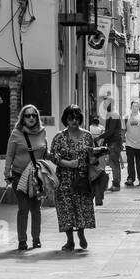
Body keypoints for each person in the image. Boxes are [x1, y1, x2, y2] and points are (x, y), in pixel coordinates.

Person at [49, 104, 97, 250]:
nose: (74, 121)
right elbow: (52, 156)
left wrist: (96, 159)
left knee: (81, 207)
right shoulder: (59, 137)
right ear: (66, 120)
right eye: (71, 118)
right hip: (64, 178)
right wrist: (67, 163)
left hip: (82, 178)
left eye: (77, 118)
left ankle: (81, 234)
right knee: (66, 209)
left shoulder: (87, 136)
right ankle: (70, 240)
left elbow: (92, 155)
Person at [3, 104, 49, 250]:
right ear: (22, 117)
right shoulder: (16, 133)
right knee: (23, 208)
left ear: (37, 117)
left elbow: (44, 151)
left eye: (34, 115)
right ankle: (22, 240)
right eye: (28, 115)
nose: (31, 118)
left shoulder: (42, 132)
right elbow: (10, 154)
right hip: (18, 175)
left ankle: (36, 239)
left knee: (36, 209)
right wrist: (7, 172)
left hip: (37, 177)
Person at [123, 100, 140, 186]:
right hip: (129, 144)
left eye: (136, 106)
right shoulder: (126, 117)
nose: (135, 107)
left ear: (138, 107)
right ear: (131, 107)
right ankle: (131, 178)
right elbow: (123, 130)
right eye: (133, 106)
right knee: (130, 163)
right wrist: (122, 140)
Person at [101, 103, 123, 192]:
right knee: (114, 163)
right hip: (113, 142)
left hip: (114, 142)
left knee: (114, 163)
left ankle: (116, 184)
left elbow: (111, 130)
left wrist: (101, 137)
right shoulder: (111, 114)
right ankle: (116, 183)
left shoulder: (114, 115)